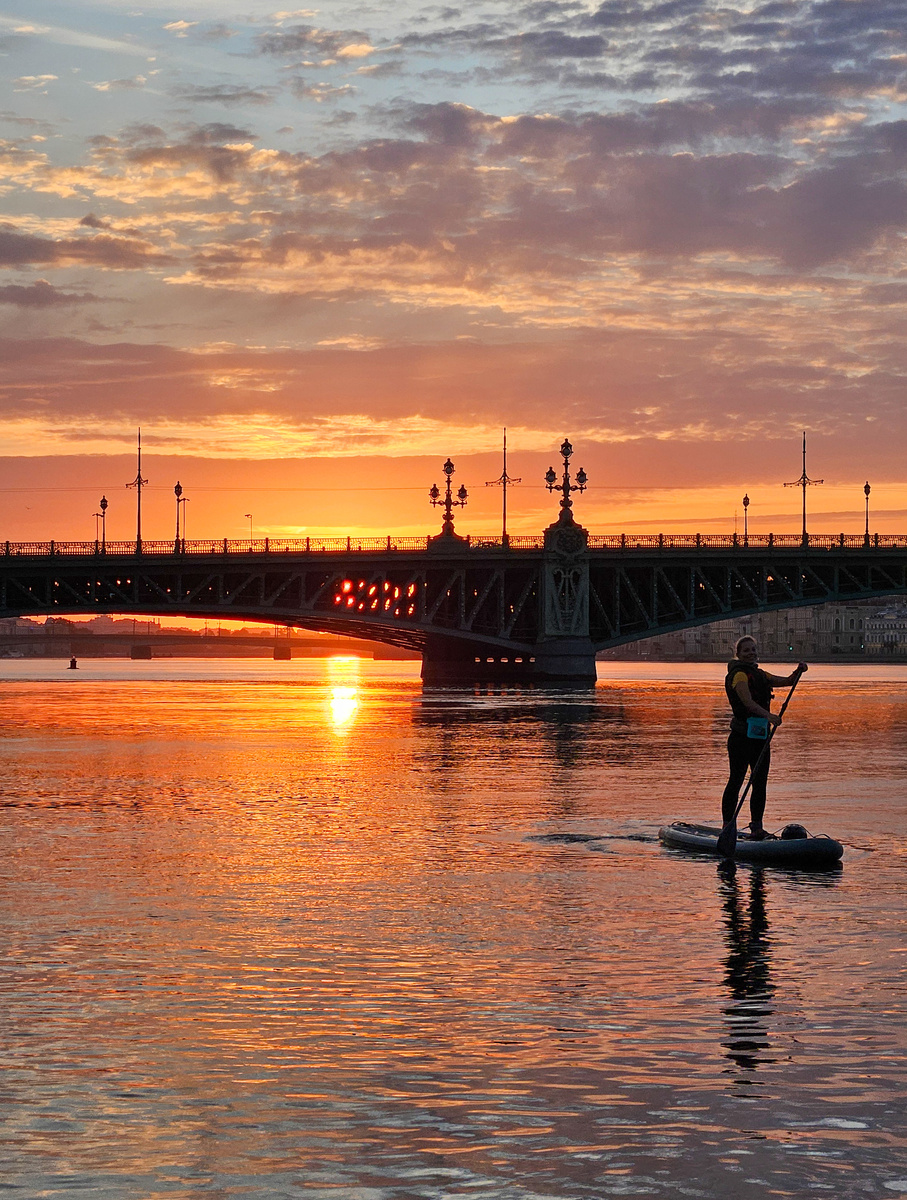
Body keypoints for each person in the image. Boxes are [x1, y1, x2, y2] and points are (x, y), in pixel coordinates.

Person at [721, 636, 807, 840]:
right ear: (739, 654)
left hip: (760, 738)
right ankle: (727, 826)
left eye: (753, 649)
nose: (751, 653)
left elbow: (787, 682)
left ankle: (757, 828)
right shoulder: (739, 676)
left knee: (760, 783)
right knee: (736, 780)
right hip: (741, 738)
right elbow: (748, 703)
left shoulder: (759, 674)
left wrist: (798, 671)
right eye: (746, 651)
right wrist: (769, 716)